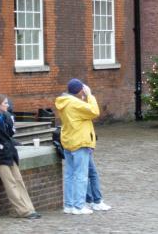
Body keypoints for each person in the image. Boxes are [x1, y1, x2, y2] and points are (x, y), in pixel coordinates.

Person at [0, 94, 41, 219]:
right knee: (10, 183)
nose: (7, 105)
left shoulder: (4, 116)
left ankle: (30, 208)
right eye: (5, 103)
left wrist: (11, 126)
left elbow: (9, 134)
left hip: (9, 152)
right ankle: (23, 211)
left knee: (19, 181)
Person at [55, 79, 103, 215]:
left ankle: (69, 205)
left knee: (69, 175)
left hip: (68, 141)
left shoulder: (64, 102)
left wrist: (84, 98)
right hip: (80, 142)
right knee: (81, 175)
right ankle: (79, 206)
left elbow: (84, 112)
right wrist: (90, 95)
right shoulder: (75, 103)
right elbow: (94, 111)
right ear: (80, 90)